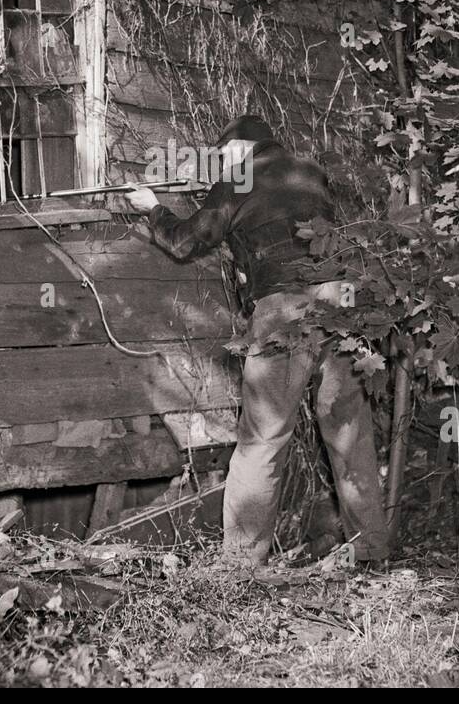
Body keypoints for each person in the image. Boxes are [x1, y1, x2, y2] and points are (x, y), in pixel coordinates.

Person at [125, 114, 389, 570]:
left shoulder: (241, 175)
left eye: (224, 157)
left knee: (263, 440)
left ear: (241, 149)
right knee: (350, 437)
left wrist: (152, 207)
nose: (222, 167)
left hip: (285, 312)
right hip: (343, 306)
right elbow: (281, 231)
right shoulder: (306, 171)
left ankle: (240, 567)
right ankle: (373, 555)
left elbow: (187, 241)